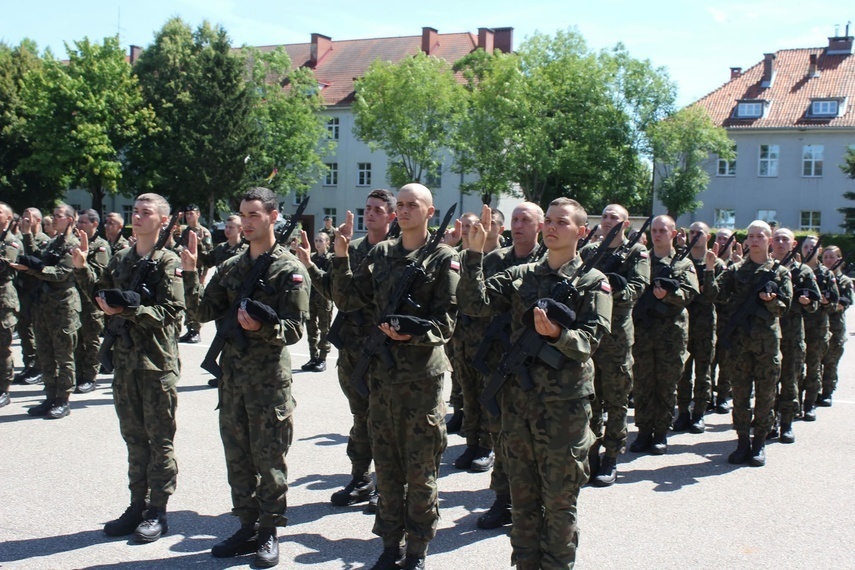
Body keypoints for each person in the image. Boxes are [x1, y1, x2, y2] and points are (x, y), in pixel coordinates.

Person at [457, 199, 611, 570]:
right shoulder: (521, 275)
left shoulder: (594, 281)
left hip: (564, 410)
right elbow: (473, 303)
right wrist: (474, 256)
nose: (553, 227)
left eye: (563, 222)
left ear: (581, 231)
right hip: (519, 404)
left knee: (559, 502)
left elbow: (592, 340)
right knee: (522, 499)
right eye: (550, 221)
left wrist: (558, 335)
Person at [330, 183, 458, 570]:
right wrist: (339, 260)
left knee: (420, 471)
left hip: (421, 379)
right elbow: (350, 300)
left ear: (429, 212)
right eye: (399, 205)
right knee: (386, 467)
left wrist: (414, 333)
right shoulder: (381, 253)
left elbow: (448, 322)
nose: (403, 211)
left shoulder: (444, 258)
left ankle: (417, 548)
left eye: (411, 205)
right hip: (383, 376)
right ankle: (389, 544)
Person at [182, 187, 310, 568]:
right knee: (237, 457)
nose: (247, 221)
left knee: (269, 460)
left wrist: (260, 327)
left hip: (269, 382)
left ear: (273, 217)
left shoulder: (289, 270)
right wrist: (191, 277)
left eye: (255, 214)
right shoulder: (232, 266)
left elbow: (294, 329)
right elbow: (202, 312)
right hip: (233, 380)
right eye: (243, 214)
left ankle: (269, 530)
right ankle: (246, 525)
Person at [73, 193, 184, 542]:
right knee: (134, 439)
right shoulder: (122, 258)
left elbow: (173, 314)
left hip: (155, 365)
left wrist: (130, 311)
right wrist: (82, 271)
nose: (137, 217)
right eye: (134, 211)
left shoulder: (168, 261)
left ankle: (158, 511)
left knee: (159, 440)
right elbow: (102, 293)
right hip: (125, 362)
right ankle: (137, 504)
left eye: (146, 212)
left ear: (162, 221)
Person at [296, 188, 397, 512]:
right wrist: (311, 264)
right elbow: (332, 290)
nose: (370, 213)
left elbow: (354, 296)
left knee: (385, 422)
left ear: (390, 216)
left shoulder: (394, 253)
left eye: (378, 209)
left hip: (384, 350)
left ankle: (387, 485)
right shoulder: (350, 248)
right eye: (368, 208)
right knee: (360, 417)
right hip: (353, 350)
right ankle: (360, 478)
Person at [473, 202, 544, 529]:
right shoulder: (496, 260)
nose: (517, 225)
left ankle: (536, 505)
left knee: (539, 439)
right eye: (514, 219)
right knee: (503, 433)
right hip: (500, 357)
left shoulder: (547, 262)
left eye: (525, 220)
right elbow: (479, 301)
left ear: (540, 226)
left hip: (537, 363)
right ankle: (503, 499)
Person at [581, 204, 649, 487]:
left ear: (626, 224)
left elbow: (637, 287)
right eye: (605, 217)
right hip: (590, 334)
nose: (608, 221)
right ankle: (591, 454)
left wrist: (611, 289)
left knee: (617, 400)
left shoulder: (637, 253)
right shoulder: (587, 252)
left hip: (617, 337)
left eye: (614, 218)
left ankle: (611, 457)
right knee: (590, 399)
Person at [716, 220, 791, 466]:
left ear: (769, 240)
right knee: (739, 395)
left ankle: (759, 443)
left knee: (766, 395)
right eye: (751, 236)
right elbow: (715, 295)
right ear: (746, 241)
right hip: (739, 345)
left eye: (760, 236)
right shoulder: (735, 270)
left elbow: (785, 307)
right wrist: (708, 271)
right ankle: (742, 443)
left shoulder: (780, 272)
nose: (755, 240)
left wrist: (770, 300)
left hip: (766, 345)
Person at [630, 215, 699, 455]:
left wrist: (667, 296)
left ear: (672, 234)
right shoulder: (640, 260)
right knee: (642, 383)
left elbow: (690, 292)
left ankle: (660, 433)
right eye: (655, 231)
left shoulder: (682, 263)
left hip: (671, 335)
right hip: (642, 332)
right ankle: (643, 431)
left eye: (663, 230)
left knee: (667, 385)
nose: (658, 234)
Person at [10, 204, 81, 419]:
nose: (55, 218)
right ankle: (50, 396)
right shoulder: (53, 242)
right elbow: (38, 258)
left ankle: (63, 399)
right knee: (45, 353)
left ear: (69, 219)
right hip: (43, 305)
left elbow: (60, 273)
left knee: (63, 355)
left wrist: (33, 269)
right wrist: (29, 234)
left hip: (63, 306)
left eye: (59, 216)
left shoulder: (73, 245)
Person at [452, 208, 505, 474]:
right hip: (463, 338)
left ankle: (487, 446)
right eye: (480, 224)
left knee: (487, 395)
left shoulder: (503, 259)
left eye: (490, 223)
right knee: (468, 395)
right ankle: (472, 442)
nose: (484, 227)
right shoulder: (464, 257)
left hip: (490, 341)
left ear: (499, 228)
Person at [674, 222, 725, 435]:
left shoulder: (716, 262)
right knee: (683, 371)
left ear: (708, 236)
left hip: (705, 323)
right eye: (692, 232)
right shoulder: (681, 261)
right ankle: (684, 411)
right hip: (684, 323)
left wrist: (710, 271)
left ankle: (699, 413)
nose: (695, 236)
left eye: (699, 233)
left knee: (703, 371)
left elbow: (713, 296)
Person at [770, 228, 819, 443]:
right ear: (771, 242)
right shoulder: (765, 268)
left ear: (793, 244)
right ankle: (768, 421)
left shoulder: (804, 272)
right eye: (777, 239)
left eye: (785, 240)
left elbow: (816, 303)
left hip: (792, 333)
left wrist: (809, 303)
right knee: (767, 380)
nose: (781, 243)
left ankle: (786, 423)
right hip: (767, 333)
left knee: (790, 379)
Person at [800, 236, 838, 421]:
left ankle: (809, 404)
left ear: (819, 250)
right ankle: (793, 404)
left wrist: (825, 302)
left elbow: (835, 305)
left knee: (814, 368)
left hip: (818, 328)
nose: (808, 250)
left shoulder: (826, 274)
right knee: (794, 370)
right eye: (805, 247)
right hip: (796, 328)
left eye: (812, 247)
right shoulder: (796, 271)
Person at [73, 209, 111, 394]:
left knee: (91, 339)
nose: (79, 226)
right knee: (77, 340)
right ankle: (79, 373)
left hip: (91, 299)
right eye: (78, 222)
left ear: (95, 224)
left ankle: (90, 376)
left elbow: (99, 273)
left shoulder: (100, 245)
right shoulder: (75, 243)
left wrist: (83, 261)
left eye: (83, 222)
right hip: (74, 299)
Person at [12, 207, 50, 386]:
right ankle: (30, 363)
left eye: (29, 218)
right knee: (24, 330)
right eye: (24, 217)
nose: (25, 221)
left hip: (38, 292)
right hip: (23, 291)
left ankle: (39, 367)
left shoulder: (45, 241)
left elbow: (37, 260)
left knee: (38, 331)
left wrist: (27, 235)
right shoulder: (19, 239)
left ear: (38, 220)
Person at [819, 245, 853, 406]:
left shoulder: (844, 281)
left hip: (835, 327)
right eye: (825, 257)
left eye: (832, 257)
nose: (828, 260)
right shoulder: (818, 277)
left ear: (839, 260)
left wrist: (828, 303)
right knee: (815, 362)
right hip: (817, 326)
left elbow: (844, 302)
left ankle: (827, 391)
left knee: (831, 362)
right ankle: (814, 391)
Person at [175, 204, 213, 343]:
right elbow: (172, 233)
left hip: (198, 271)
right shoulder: (184, 231)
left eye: (192, 213)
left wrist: (203, 275)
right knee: (186, 300)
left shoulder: (204, 232)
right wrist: (176, 219)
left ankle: (196, 330)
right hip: (185, 270)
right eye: (187, 214)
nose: (189, 216)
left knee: (196, 300)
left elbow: (208, 255)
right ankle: (190, 329)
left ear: (198, 214)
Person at [709, 228, 737, 413]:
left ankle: (723, 396)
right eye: (719, 237)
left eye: (725, 238)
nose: (721, 241)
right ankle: (708, 394)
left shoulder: (736, 265)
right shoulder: (710, 261)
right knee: (709, 360)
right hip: (711, 318)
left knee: (726, 360)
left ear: (733, 242)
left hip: (730, 319)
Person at [301, 232, 334, 373]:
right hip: (311, 296)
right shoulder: (312, 257)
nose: (318, 243)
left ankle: (322, 358)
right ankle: (313, 357)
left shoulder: (331, 259)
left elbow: (328, 277)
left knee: (324, 328)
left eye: (321, 240)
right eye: (316, 240)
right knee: (311, 327)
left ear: (327, 243)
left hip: (324, 297)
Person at [0, 203, 22, 408]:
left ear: (8, 218)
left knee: (3, 347)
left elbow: (5, 266)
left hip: (3, 300)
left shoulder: (12, 242)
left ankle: (4, 388)